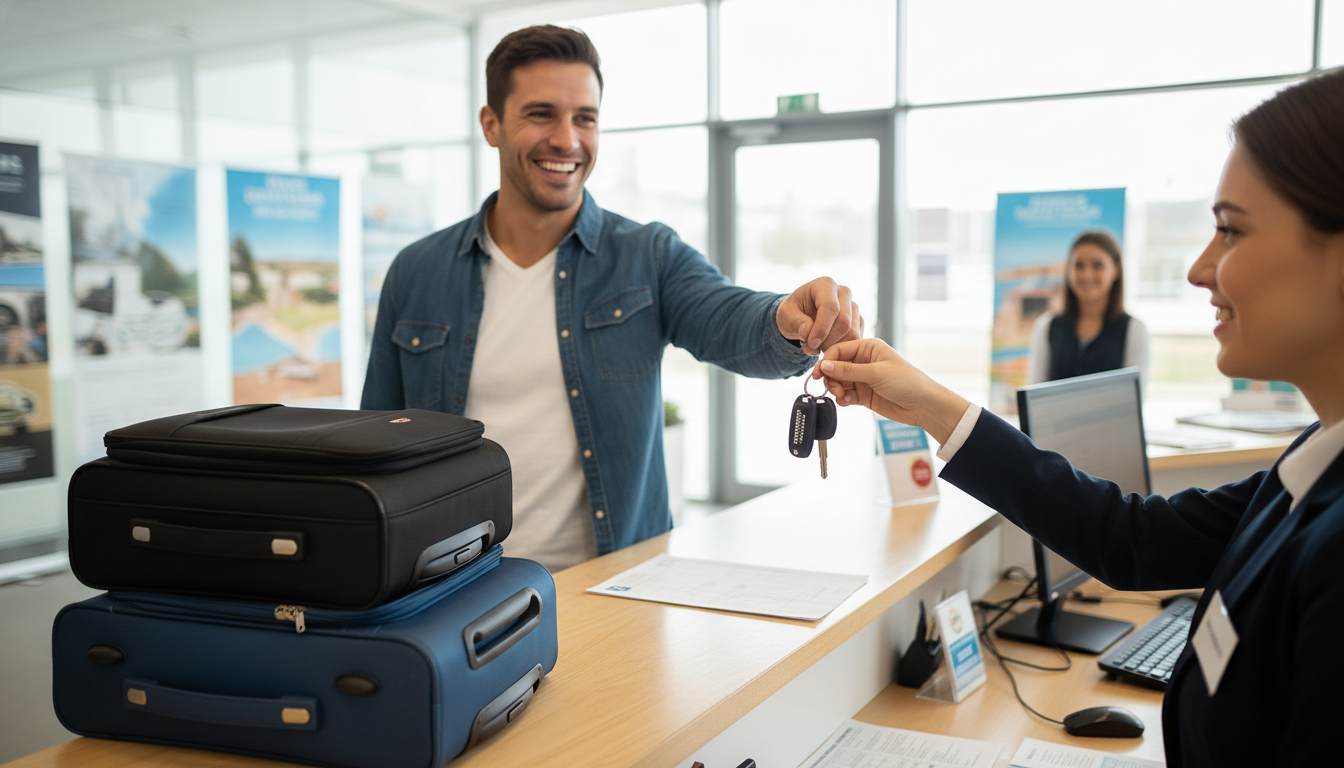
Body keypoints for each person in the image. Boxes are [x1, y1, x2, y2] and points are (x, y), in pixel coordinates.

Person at [813, 69, 1344, 767]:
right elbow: (1133, 538)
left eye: (1230, 231)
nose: (1198, 269)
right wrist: (931, 404)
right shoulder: (1313, 466)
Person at [362, 25, 862, 571]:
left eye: (585, 117)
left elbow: (726, 315)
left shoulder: (646, 255)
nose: (567, 139)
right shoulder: (417, 272)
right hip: (453, 594)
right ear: (492, 125)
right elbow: (373, 448)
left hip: (615, 590)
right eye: (541, 114)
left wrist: (784, 317)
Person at [1026, 229, 1149, 387]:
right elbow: (1035, 392)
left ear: (1116, 270)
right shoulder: (1047, 326)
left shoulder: (1133, 329)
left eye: (1098, 265)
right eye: (1079, 265)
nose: (1087, 274)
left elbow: (1134, 398)